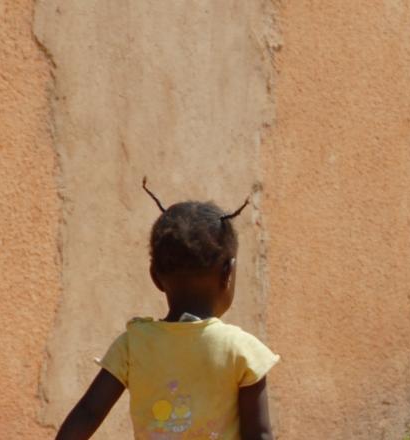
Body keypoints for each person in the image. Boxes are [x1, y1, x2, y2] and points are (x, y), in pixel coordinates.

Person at [55, 180, 277, 440]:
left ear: (155, 277)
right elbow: (259, 434)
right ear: (227, 273)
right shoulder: (243, 352)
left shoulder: (133, 345)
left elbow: (88, 414)